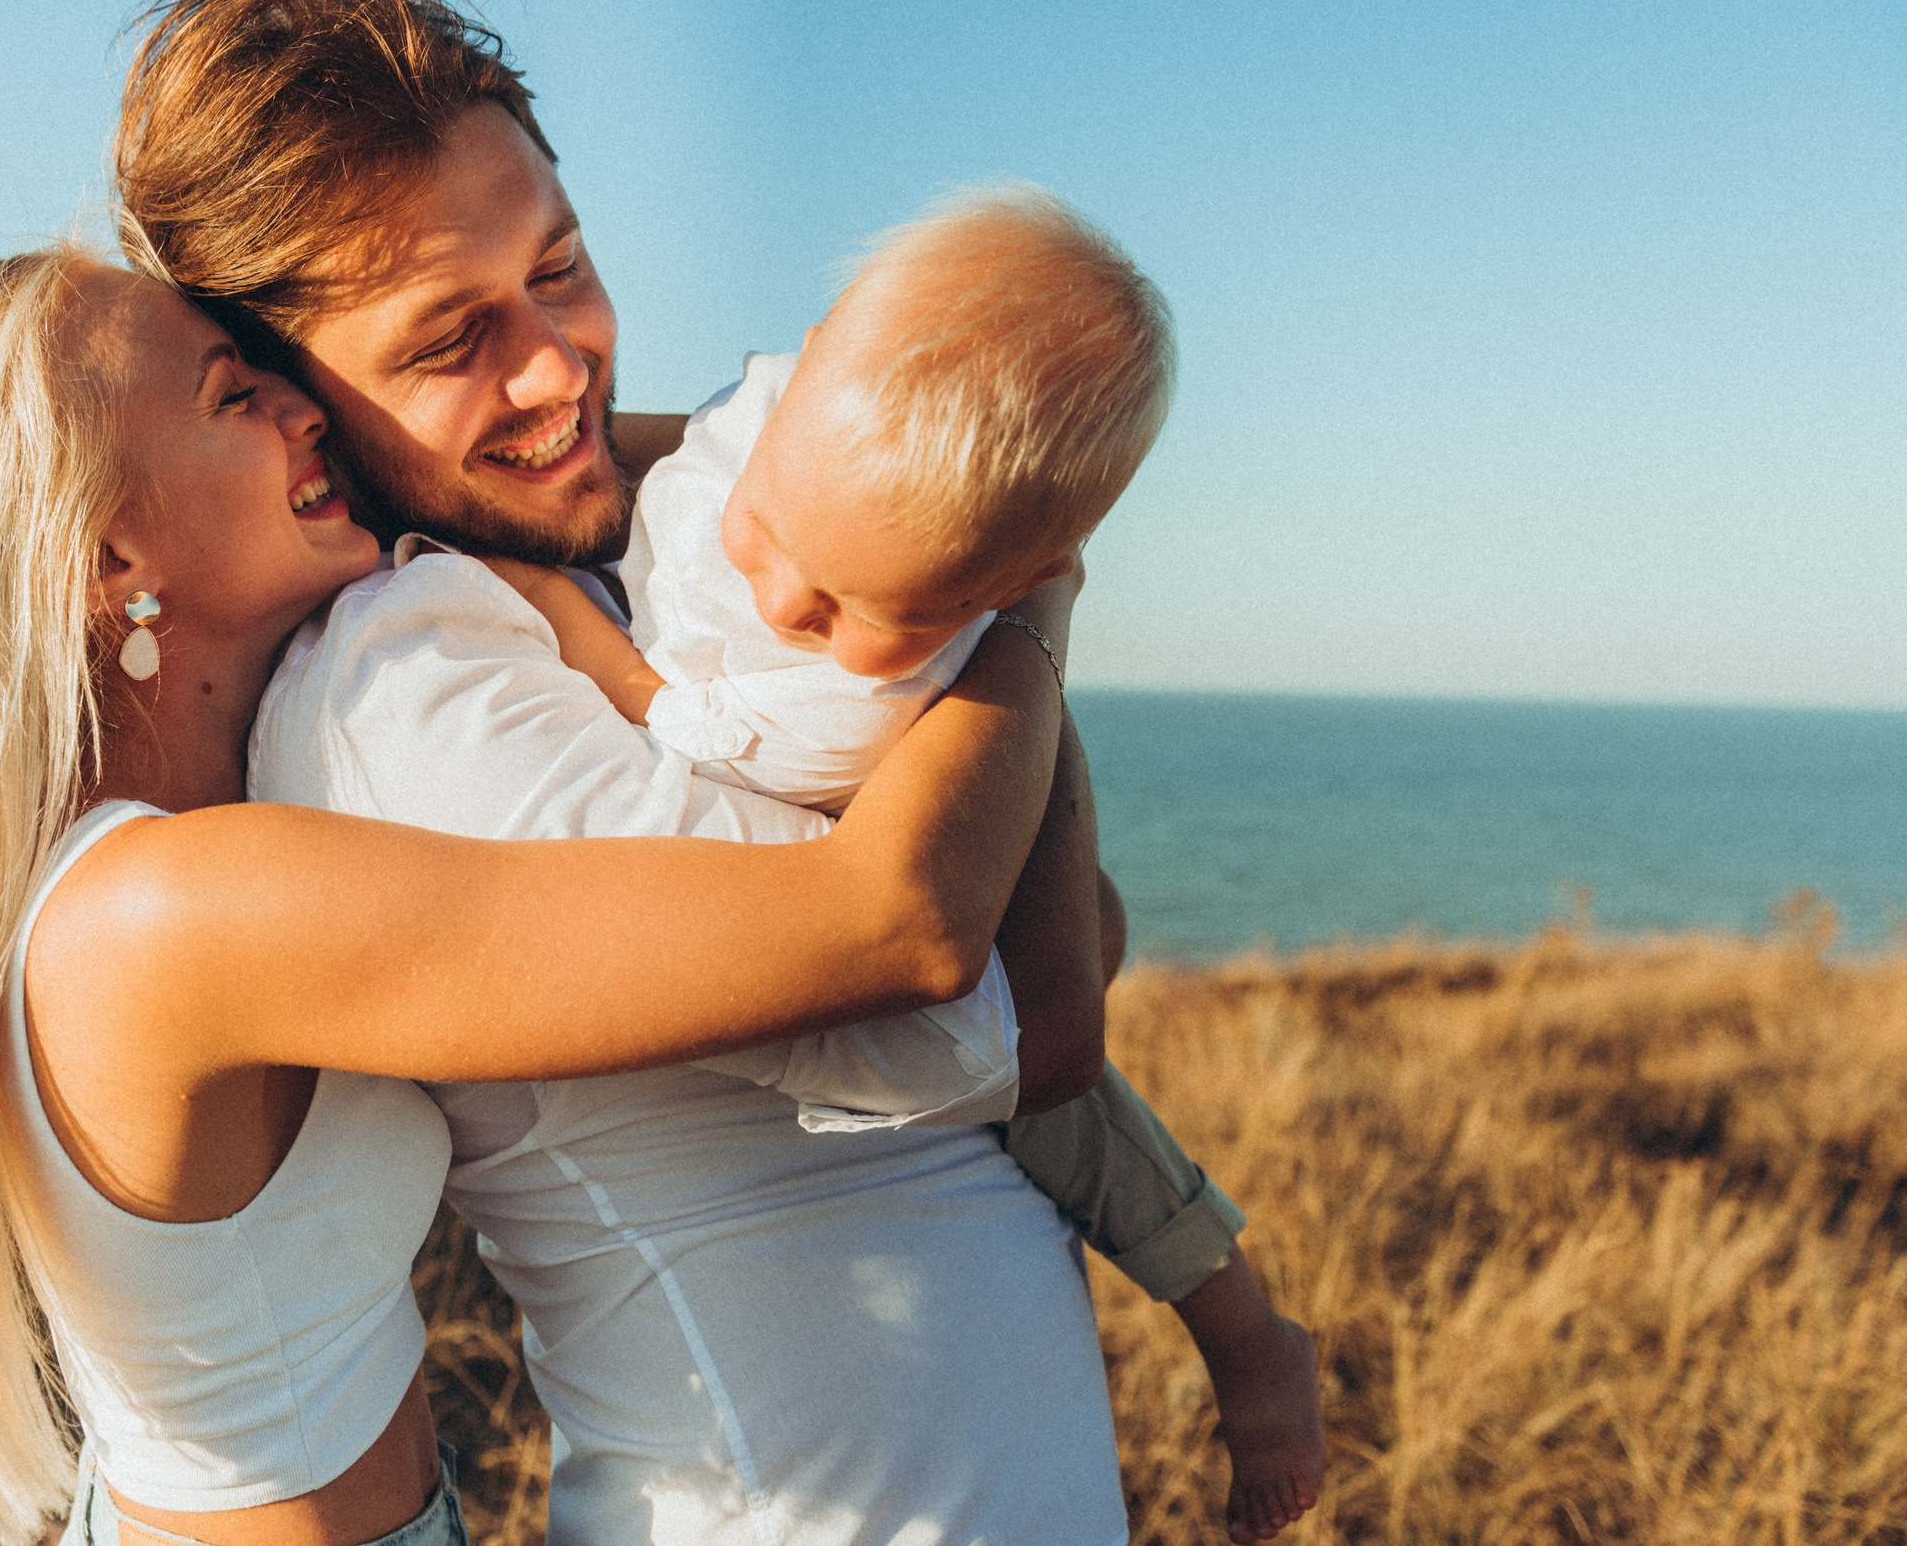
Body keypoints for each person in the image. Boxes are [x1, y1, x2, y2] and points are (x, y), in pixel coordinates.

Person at [0, 248, 1082, 1546]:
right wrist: (1014, 572)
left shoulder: (164, 857)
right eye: (234, 396)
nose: (304, 410)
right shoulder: (175, 908)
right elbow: (898, 927)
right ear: (109, 557)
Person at [118, 0, 1143, 1546]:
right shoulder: (402, 678)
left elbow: (1082, 920)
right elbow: (1013, 1014)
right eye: (449, 341)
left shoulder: (627, 563)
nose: (558, 365)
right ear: (294, 398)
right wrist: (1029, 584)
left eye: (564, 266)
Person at [486, 184, 1326, 1541]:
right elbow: (681, 442)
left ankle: (1245, 1334)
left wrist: (544, 602)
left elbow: (669, 715)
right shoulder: (781, 413)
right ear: (809, 358)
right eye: (768, 530)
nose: (785, 604)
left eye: (854, 607)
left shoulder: (862, 696)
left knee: (1077, 1120)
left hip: (953, 930)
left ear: (1012, 581)